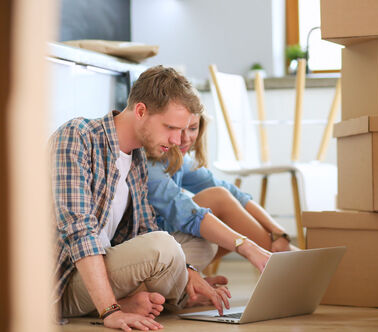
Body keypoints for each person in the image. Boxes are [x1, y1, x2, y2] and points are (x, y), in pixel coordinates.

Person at [50, 66, 238, 332]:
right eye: (170, 127)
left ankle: (169, 295)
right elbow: (79, 231)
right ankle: (137, 301)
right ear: (140, 111)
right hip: (64, 280)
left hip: (107, 263)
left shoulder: (137, 157)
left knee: (200, 245)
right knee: (163, 246)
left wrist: (190, 273)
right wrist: (111, 311)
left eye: (182, 129)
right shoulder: (77, 136)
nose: (177, 140)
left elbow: (145, 229)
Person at [147, 113, 298, 271]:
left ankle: (287, 261)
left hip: (171, 237)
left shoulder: (179, 160)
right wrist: (246, 245)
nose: (185, 138)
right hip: (152, 247)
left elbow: (235, 194)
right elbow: (188, 214)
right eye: (178, 129)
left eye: (192, 128)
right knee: (217, 198)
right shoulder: (151, 164)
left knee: (222, 198)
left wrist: (278, 233)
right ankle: (290, 265)